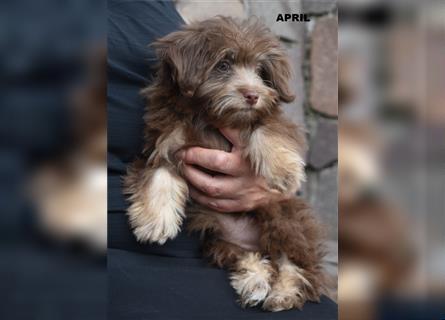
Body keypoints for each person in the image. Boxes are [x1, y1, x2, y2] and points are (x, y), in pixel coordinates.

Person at [108, 1, 336, 319]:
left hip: (238, 233)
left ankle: (287, 272)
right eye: (225, 66)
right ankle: (252, 266)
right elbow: (153, 156)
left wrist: (267, 169)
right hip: (168, 251)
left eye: (259, 71)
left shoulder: (166, 14)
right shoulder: (170, 103)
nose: (252, 88)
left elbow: (278, 170)